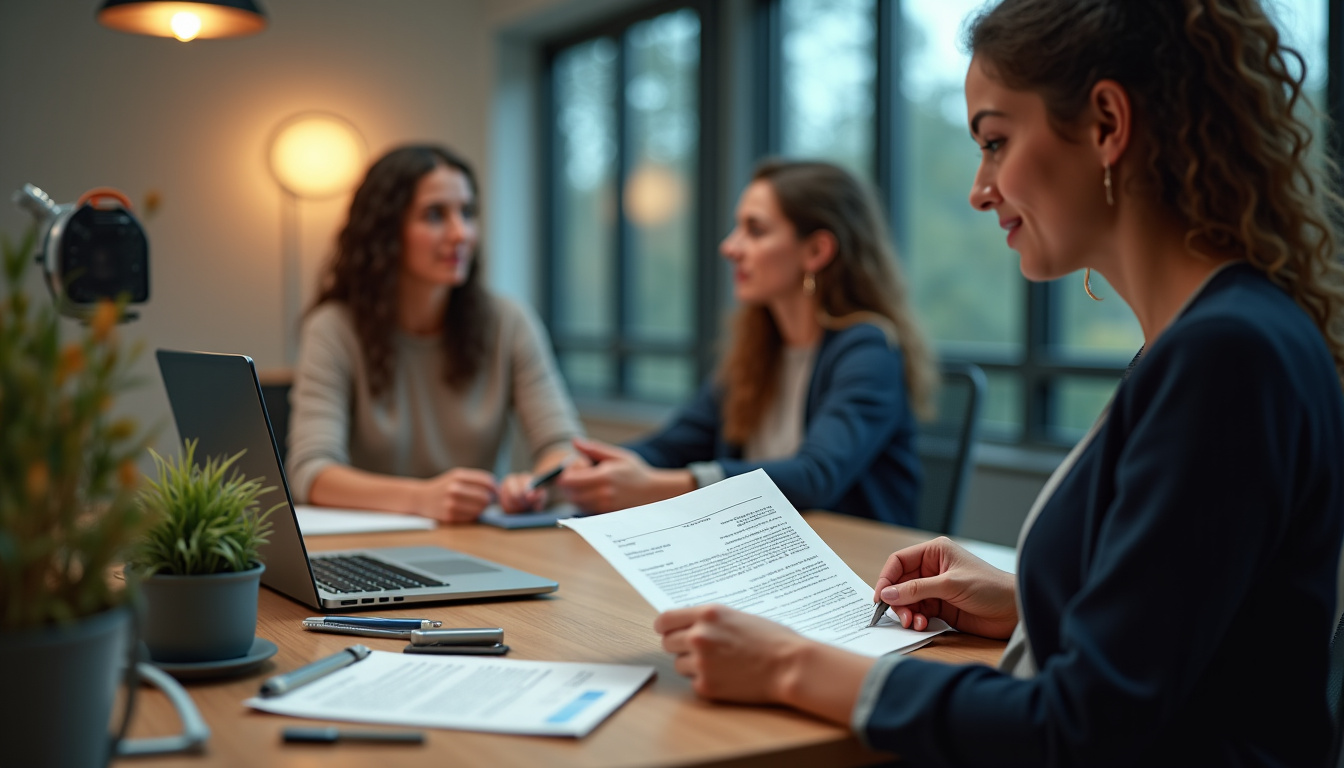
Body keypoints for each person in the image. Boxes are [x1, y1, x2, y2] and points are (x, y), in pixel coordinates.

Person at [652, 1, 1344, 765]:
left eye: (995, 141)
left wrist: (789, 664)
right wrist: (1031, 606)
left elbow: (1082, 730)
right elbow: (1203, 634)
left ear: (1108, 124)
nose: (981, 189)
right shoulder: (1202, 339)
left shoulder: (1225, 355)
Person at [555, 160, 937, 526]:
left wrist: (659, 488)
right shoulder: (758, 349)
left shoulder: (869, 350)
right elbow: (674, 445)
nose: (729, 247)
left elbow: (814, 476)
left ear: (817, 251)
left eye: (755, 230)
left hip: (859, 570)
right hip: (761, 553)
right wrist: (591, 472)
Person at [286, 145, 582, 523]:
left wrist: (534, 484)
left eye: (468, 213)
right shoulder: (333, 329)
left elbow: (563, 446)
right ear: (385, 231)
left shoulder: (508, 322)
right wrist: (422, 498)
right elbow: (312, 473)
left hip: (478, 543)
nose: (461, 234)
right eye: (434, 215)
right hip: (370, 549)